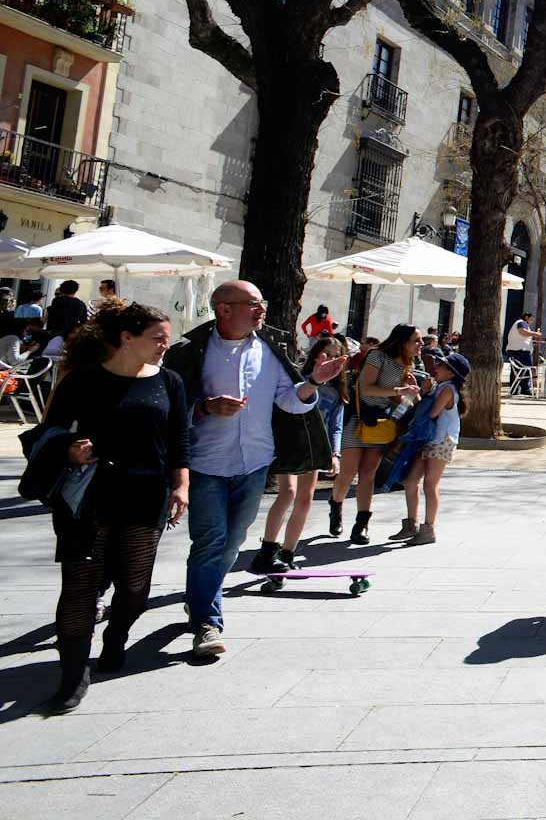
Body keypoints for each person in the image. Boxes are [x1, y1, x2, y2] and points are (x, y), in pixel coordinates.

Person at [163, 281, 342, 659]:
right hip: (205, 463)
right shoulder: (192, 351)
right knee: (211, 542)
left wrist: (312, 383)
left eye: (262, 303)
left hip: (254, 464)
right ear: (223, 309)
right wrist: (206, 407)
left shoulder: (268, 349)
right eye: (253, 304)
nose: (262, 310)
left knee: (232, 542)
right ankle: (208, 623)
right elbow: (172, 407)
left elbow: (289, 402)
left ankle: (199, 598)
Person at [25, 303, 188, 712]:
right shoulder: (83, 380)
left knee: (134, 589)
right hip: (90, 497)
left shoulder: (169, 382)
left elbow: (179, 441)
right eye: (157, 338)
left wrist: (181, 485)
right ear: (126, 339)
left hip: (145, 494)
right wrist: (69, 449)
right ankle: (73, 676)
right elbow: (48, 430)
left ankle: (116, 636)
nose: (164, 345)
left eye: (167, 337)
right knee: (80, 586)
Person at [247, 336, 348, 574]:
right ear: (315, 356)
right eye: (328, 354)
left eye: (337, 356)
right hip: (292, 444)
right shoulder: (300, 381)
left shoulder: (339, 390)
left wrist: (335, 453)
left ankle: (288, 551)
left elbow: (336, 425)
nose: (331, 360)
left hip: (316, 447)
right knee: (288, 492)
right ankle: (267, 549)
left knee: (305, 498)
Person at [329, 325, 423, 547]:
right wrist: (399, 391)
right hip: (359, 419)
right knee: (348, 472)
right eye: (416, 340)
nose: (420, 345)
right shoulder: (377, 356)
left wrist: (413, 395)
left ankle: (362, 524)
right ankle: (336, 506)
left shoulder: (406, 365)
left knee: (369, 474)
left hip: (381, 423)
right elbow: (366, 388)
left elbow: (397, 401)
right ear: (402, 341)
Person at [394, 349, 467, 545]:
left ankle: (428, 529)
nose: (436, 368)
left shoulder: (447, 389)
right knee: (410, 481)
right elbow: (423, 409)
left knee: (429, 485)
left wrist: (424, 392)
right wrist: (420, 391)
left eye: (441, 366)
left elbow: (431, 413)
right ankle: (411, 524)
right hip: (426, 438)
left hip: (442, 440)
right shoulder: (440, 386)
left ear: (451, 372)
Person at [504, 314, 539, 395]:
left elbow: (521, 339)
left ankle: (514, 389)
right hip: (520, 352)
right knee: (527, 370)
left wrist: (532, 344)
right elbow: (522, 331)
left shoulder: (518, 323)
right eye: (531, 319)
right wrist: (535, 334)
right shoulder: (522, 322)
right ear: (526, 317)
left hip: (515, 350)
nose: (531, 321)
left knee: (516, 372)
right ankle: (525, 389)